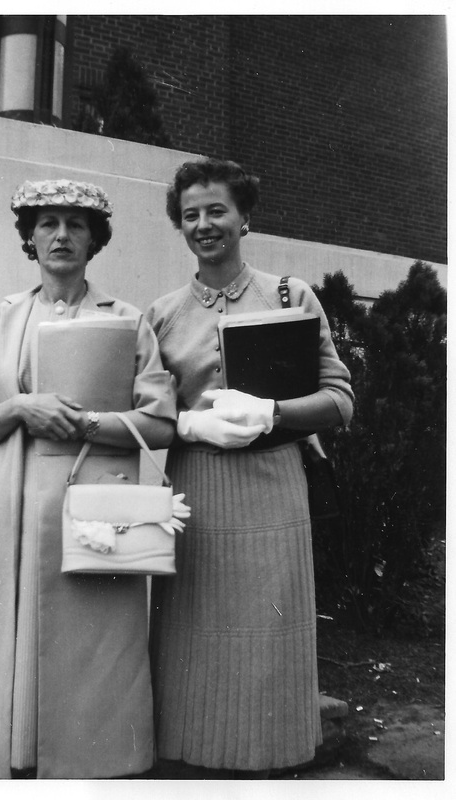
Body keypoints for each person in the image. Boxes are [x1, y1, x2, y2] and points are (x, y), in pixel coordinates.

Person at [0, 178, 176, 779]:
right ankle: (20, 760)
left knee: (97, 646)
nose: (62, 235)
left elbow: (160, 423)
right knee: (18, 641)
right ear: (30, 237)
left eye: (77, 225)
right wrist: (23, 407)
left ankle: (100, 765)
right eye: (48, 223)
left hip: (99, 507)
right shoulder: (3, 318)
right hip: (17, 506)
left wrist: (88, 421)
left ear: (95, 240)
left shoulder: (127, 320)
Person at [147, 158, 354, 779]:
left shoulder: (290, 296)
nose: (204, 224)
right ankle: (190, 765)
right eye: (191, 215)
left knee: (268, 636)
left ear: (244, 218)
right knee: (192, 634)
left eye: (217, 210)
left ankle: (264, 767)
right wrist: (187, 424)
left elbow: (340, 399)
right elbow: (143, 414)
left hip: (272, 488)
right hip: (197, 490)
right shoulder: (161, 314)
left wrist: (274, 412)